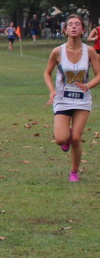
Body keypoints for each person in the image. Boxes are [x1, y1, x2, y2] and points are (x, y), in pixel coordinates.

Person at [44, 14, 100, 182]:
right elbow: (47, 73)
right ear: (65, 30)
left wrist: (87, 85)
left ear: (83, 29)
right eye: (70, 24)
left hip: (82, 100)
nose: (74, 26)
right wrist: (52, 90)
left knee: (76, 138)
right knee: (60, 139)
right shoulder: (57, 51)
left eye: (77, 24)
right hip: (62, 99)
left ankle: (74, 172)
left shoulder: (89, 51)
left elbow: (99, 75)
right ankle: (66, 134)